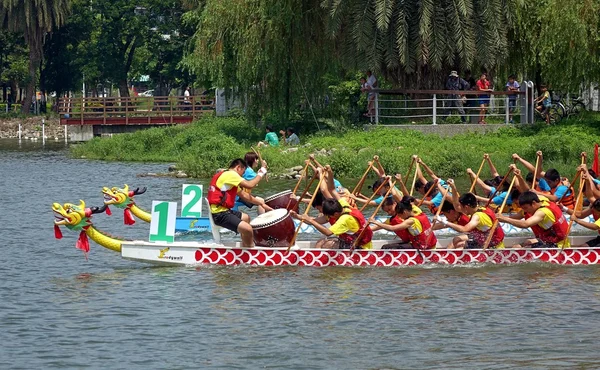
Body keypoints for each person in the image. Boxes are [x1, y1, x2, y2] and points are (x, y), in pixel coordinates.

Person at [292, 170, 373, 250]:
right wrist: (297, 216)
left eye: (328, 215)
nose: (327, 217)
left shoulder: (344, 220)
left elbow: (328, 233)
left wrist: (311, 221)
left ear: (335, 214)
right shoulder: (342, 204)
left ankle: (321, 262)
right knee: (320, 242)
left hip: (360, 247)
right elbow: (332, 189)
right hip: (350, 241)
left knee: (325, 245)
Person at [208, 158, 272, 247]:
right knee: (248, 229)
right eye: (243, 172)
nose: (242, 175)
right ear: (238, 168)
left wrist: (261, 203)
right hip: (220, 214)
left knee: (246, 218)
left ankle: (246, 245)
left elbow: (245, 196)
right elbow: (250, 185)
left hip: (223, 211)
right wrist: (262, 171)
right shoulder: (231, 174)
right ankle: (250, 251)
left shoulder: (229, 180)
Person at [436, 188, 505, 249]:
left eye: (461, 207)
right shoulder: (482, 208)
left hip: (493, 247)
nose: (459, 210)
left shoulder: (477, 217)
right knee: (457, 242)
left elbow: (464, 229)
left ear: (466, 207)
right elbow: (456, 205)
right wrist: (453, 187)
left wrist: (445, 221)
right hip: (486, 241)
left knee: (459, 245)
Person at [498, 191, 569, 248]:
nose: (525, 211)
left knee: (517, 247)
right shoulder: (543, 200)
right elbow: (528, 192)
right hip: (555, 241)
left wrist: (505, 219)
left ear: (534, 203)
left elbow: (525, 224)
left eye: (526, 208)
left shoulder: (542, 212)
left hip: (558, 246)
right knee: (527, 242)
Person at [370, 197, 437, 249]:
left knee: (386, 247)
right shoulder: (418, 212)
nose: (389, 213)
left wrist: (375, 222)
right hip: (428, 244)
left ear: (404, 212)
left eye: (399, 215)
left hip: (422, 247)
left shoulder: (410, 221)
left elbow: (393, 228)